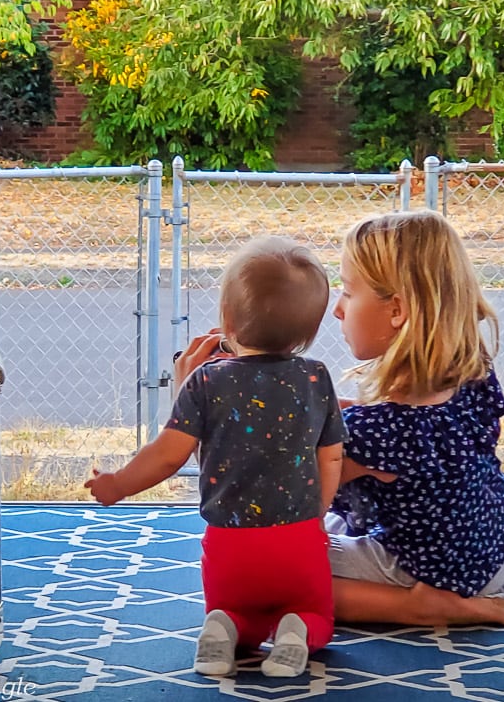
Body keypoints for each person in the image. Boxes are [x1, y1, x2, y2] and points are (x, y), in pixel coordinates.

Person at [85, 235, 346, 678]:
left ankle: (224, 627)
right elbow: (333, 456)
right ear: (309, 330)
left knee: (233, 608)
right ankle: (298, 629)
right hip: (297, 541)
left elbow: (167, 455)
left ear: (227, 318)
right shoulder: (316, 378)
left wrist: (118, 484)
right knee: (317, 613)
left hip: (230, 544)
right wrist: (317, 508)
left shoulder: (206, 382)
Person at [326, 210, 504, 626]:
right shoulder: (473, 372)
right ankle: (445, 595)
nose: (338, 309)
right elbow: (413, 444)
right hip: (495, 546)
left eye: (348, 292)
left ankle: (421, 606)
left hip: (434, 573)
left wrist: (202, 402)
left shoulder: (378, 435)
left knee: (274, 575)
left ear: (397, 311)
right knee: (339, 520)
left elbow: (280, 487)